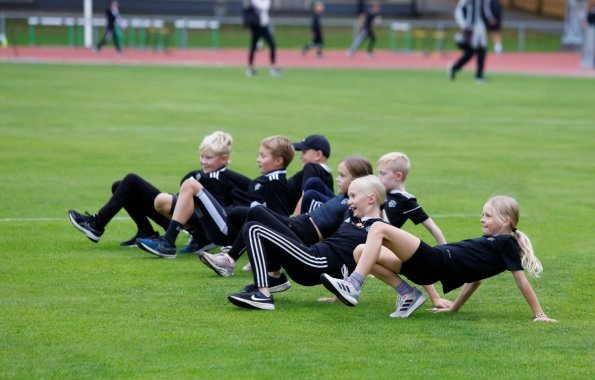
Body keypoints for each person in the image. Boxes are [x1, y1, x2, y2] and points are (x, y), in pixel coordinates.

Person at [321, 195, 558, 322]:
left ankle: (353, 285)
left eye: (487, 216)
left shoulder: (506, 243)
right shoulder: (492, 244)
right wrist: (454, 307)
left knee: (378, 229)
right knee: (361, 251)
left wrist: (539, 314)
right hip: (426, 268)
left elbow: (521, 280)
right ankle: (408, 293)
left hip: (434, 261)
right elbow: (474, 279)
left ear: (506, 221)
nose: (481, 219)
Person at [68, 131, 250, 252]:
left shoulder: (226, 178)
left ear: (224, 159)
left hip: (201, 225)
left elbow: (226, 210)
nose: (203, 161)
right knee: (121, 186)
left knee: (133, 181)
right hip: (185, 220)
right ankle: (145, 232)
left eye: (208, 157)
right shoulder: (198, 175)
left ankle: (97, 225)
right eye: (201, 156)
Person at [227, 175, 387, 310]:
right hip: (311, 255)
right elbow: (342, 249)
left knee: (253, 229)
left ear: (371, 198)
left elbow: (365, 260)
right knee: (258, 214)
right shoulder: (351, 215)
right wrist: (338, 295)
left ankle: (262, 294)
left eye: (353, 196)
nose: (349, 201)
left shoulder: (381, 229)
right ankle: (273, 279)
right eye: (349, 196)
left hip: (314, 264)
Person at [198, 156, 373, 277]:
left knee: (256, 213)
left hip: (303, 233)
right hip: (297, 223)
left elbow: (346, 240)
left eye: (342, 175)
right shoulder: (344, 198)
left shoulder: (352, 206)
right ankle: (273, 273)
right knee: (239, 213)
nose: (337, 179)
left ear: (358, 179)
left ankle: (230, 260)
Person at [137, 135, 294, 259]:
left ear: (278, 160)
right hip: (225, 228)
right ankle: (188, 239)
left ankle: (168, 242)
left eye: (262, 156)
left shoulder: (275, 182)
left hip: (226, 230)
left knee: (190, 185)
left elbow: (277, 220)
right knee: (186, 188)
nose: (258, 159)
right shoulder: (266, 179)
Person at [378, 152, 446, 245]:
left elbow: (432, 227)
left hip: (379, 244)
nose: (379, 177)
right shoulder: (380, 192)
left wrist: (447, 251)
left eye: (383, 174)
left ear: (398, 176)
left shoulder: (405, 200)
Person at [288, 134, 334, 215]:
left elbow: (305, 196)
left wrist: (293, 222)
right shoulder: (328, 176)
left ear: (318, 155)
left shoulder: (311, 167)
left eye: (304, 152)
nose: (301, 156)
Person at [449, 0, 489, 82]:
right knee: (471, 52)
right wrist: (464, 25)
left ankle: (479, 75)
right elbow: (458, 11)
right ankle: (455, 68)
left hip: (479, 27)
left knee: (481, 49)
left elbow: (484, 11)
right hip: (470, 28)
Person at [246, 0, 282, 77]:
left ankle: (273, 67)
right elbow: (263, 7)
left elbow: (266, 6)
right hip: (256, 27)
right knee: (253, 47)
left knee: (272, 45)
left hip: (264, 27)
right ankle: (250, 68)